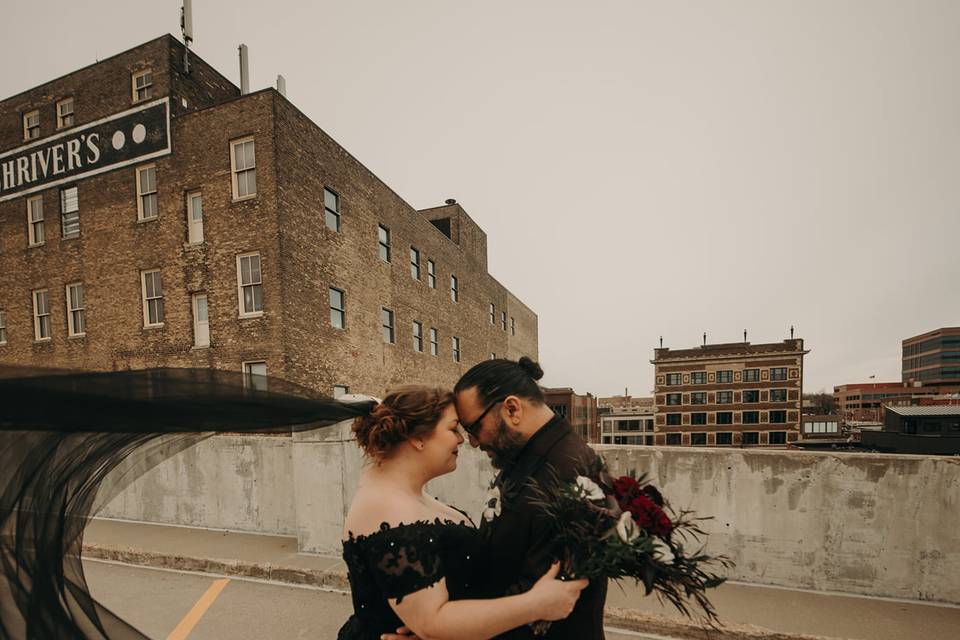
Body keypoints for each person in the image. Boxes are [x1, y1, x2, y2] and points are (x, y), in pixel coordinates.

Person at [337, 384, 588, 640]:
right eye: (452, 428)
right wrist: (535, 604)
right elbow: (431, 622)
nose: (461, 439)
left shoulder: (405, 496)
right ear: (417, 437)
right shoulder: (387, 507)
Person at [384, 357, 609, 640]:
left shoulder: (571, 475)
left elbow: (541, 606)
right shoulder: (525, 455)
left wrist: (443, 634)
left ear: (512, 408)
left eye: (473, 428)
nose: (473, 442)